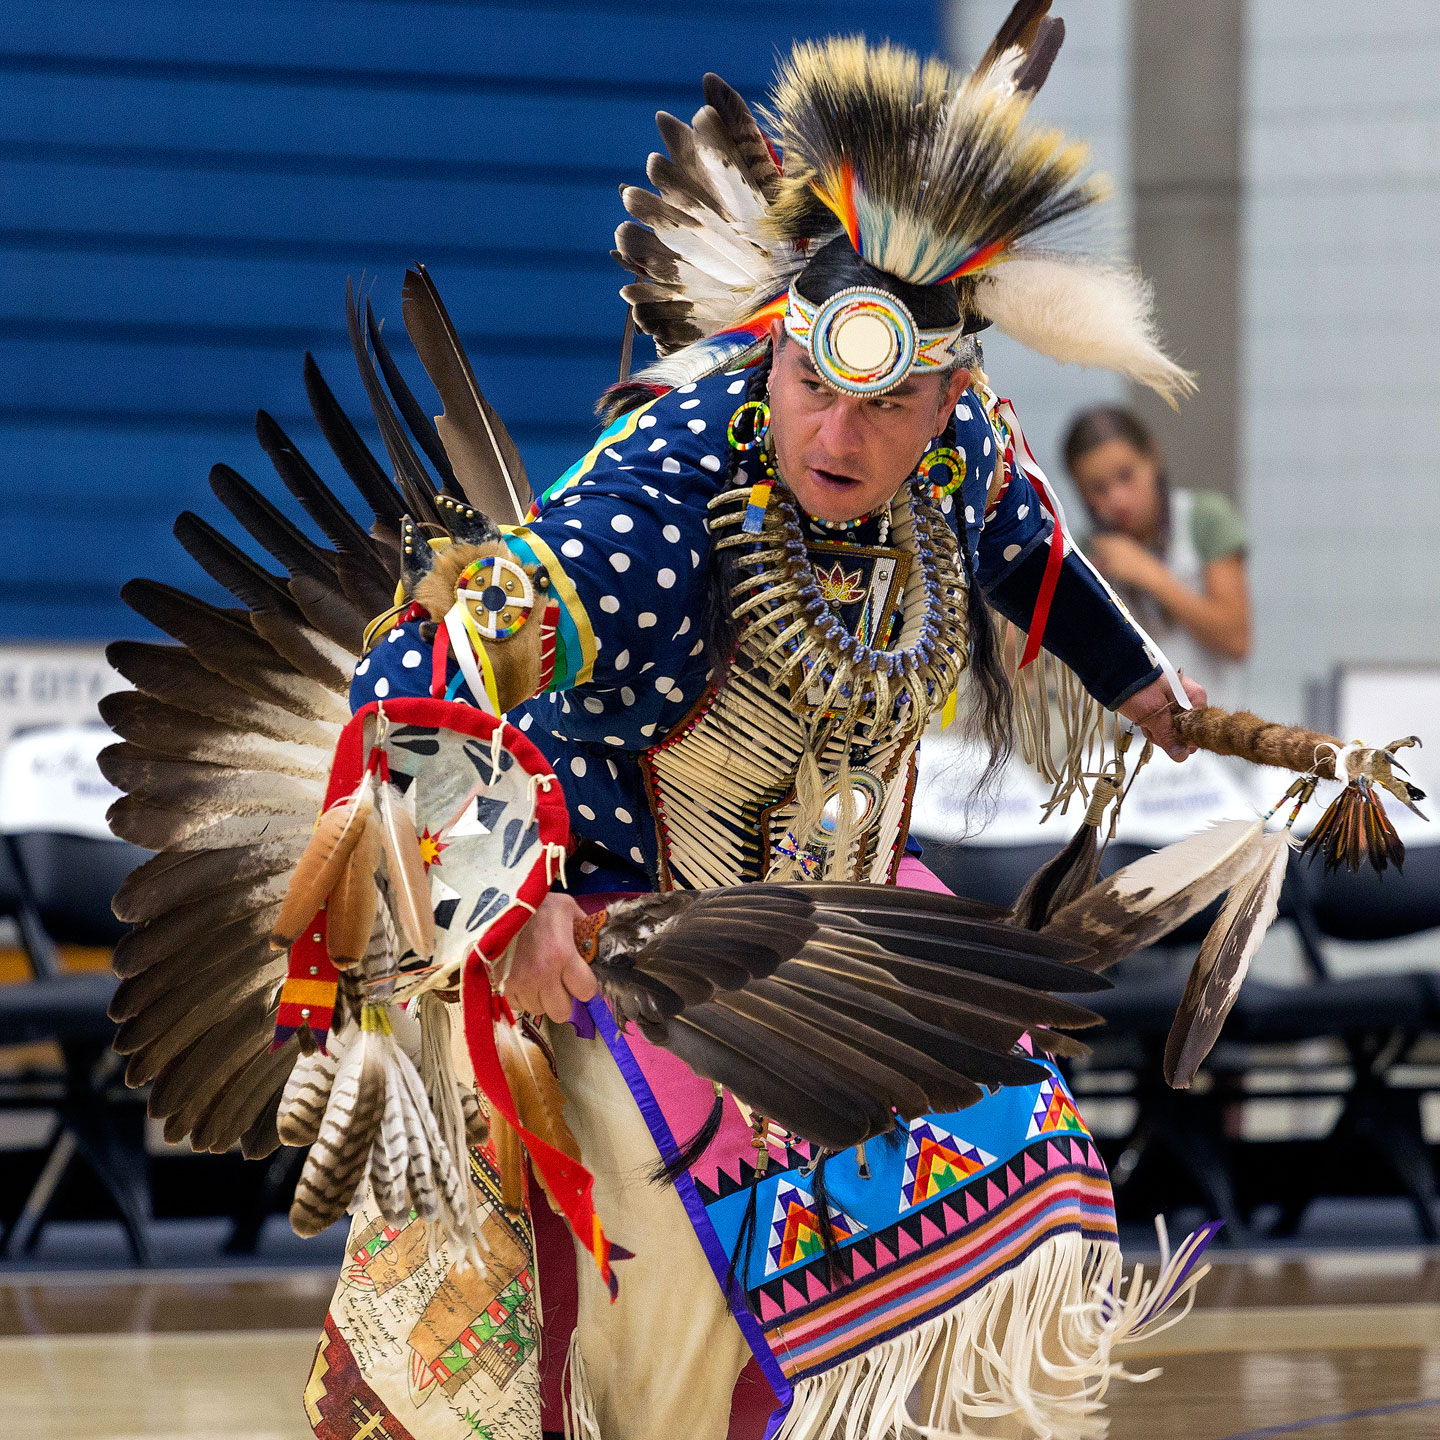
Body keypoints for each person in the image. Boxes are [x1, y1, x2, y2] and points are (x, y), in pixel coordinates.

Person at [102, 20, 1249, 1440]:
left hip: (836, 937)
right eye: (815, 388)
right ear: (773, 351)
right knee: (624, 1298)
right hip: (612, 943)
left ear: (951, 399)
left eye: (887, 407)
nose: (840, 436)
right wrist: (512, 906)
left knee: (1027, 1170)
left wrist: (1148, 692)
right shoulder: (653, 513)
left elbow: (1029, 554)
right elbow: (413, 669)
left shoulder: (964, 462)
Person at [1064, 405, 1250, 710]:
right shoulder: (1082, 553)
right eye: (1098, 489)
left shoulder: (1206, 518)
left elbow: (1235, 640)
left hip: (1213, 731)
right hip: (1123, 742)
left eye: (1126, 476)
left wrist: (1151, 575)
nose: (1118, 499)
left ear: (1152, 455)